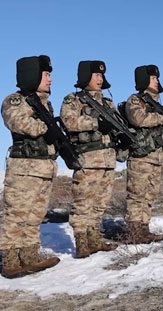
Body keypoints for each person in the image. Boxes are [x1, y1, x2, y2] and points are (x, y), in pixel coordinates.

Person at [0, 55, 61, 278]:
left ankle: (30, 256)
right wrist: (48, 126)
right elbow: (22, 124)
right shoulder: (15, 100)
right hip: (24, 168)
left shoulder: (45, 104)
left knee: (35, 215)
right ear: (33, 75)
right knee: (17, 214)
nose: (50, 80)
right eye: (46, 75)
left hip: (43, 167)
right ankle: (11, 261)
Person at [60, 60, 118, 258]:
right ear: (86, 76)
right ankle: (81, 242)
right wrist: (96, 123)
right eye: (96, 75)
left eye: (102, 76)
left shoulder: (108, 102)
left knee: (100, 202)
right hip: (88, 159)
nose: (100, 79)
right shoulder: (73, 99)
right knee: (83, 201)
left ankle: (95, 239)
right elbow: (68, 121)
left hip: (108, 160)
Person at [122, 65, 163, 243]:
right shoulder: (135, 100)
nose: (156, 81)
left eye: (157, 78)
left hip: (156, 157)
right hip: (141, 157)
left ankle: (144, 229)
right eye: (152, 78)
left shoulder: (158, 104)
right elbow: (138, 119)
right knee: (137, 195)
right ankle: (135, 232)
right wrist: (161, 119)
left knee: (150, 195)